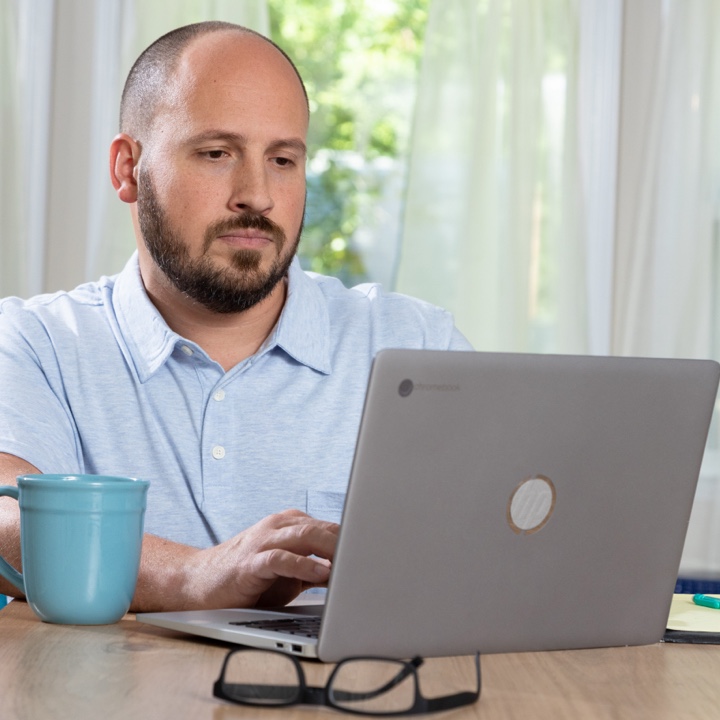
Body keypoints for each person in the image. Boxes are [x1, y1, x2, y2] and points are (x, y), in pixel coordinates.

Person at [0, 21, 471, 611]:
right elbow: (5, 517)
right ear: (128, 169)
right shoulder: (34, 343)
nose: (258, 195)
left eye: (282, 159)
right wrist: (196, 576)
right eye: (217, 153)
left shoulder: (416, 344)